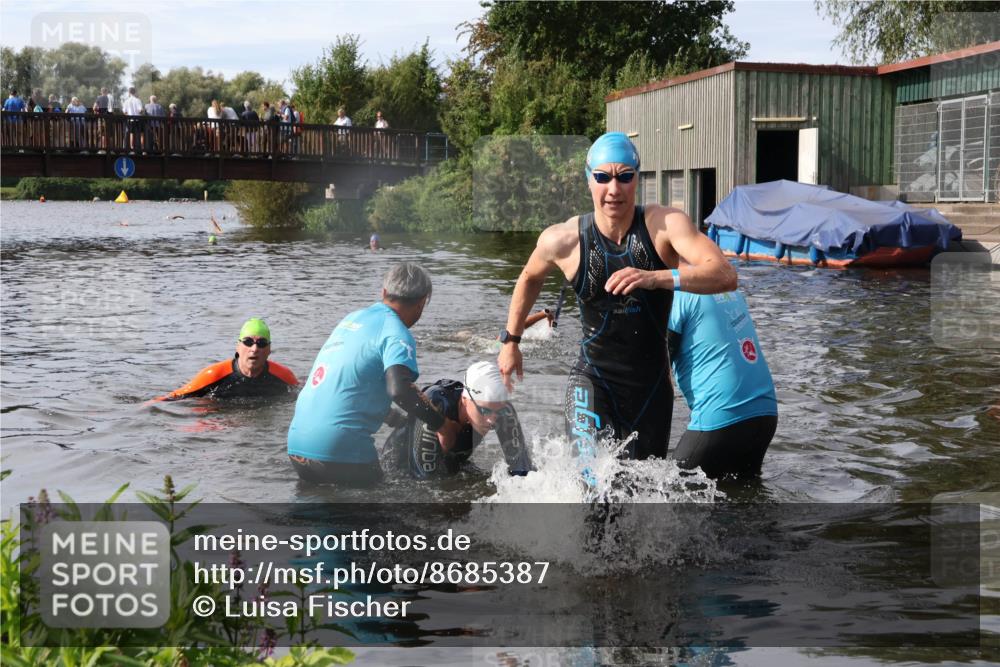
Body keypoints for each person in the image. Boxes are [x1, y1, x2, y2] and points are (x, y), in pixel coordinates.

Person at [497, 132, 737, 461]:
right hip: (592, 380)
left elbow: (725, 274)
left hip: (649, 391)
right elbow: (529, 277)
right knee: (590, 485)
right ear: (589, 180)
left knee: (636, 497)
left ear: (637, 179)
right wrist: (511, 341)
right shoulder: (564, 240)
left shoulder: (663, 226)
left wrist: (656, 278)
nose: (614, 189)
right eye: (603, 177)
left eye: (625, 176)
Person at [287, 263, 458, 486]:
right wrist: (442, 425)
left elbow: (349, 384)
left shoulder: (352, 319)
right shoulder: (396, 332)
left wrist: (395, 419)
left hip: (298, 447)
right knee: (390, 516)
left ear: (384, 293)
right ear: (422, 302)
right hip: (340, 451)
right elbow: (400, 389)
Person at [668, 290, 777, 479]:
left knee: (668, 494)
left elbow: (656, 375)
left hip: (721, 420)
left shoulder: (674, 297)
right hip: (766, 415)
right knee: (743, 499)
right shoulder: (728, 289)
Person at [384, 361, 533, 478]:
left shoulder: (503, 410)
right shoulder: (438, 405)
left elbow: (522, 469)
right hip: (401, 467)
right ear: (465, 399)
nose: (492, 420)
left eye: (497, 412)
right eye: (484, 411)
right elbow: (424, 483)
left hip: (452, 463)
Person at [156, 318, 298, 401]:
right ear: (238, 347)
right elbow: (173, 397)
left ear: (269, 350)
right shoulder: (214, 375)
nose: (254, 349)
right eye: (248, 342)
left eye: (261, 343)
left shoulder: (285, 376)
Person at [121, 86, 144, 152]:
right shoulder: (138, 100)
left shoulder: (126, 101)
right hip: (137, 119)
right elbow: (140, 110)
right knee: (140, 134)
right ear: (135, 92)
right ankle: (141, 148)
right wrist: (141, 113)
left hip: (130, 120)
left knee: (132, 134)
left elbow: (124, 112)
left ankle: (132, 148)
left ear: (129, 92)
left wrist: (128, 115)